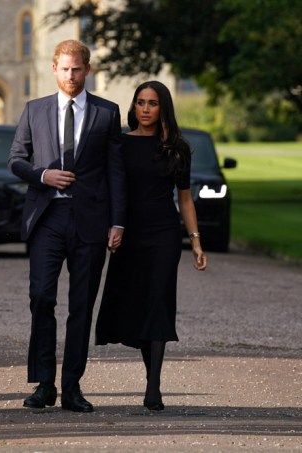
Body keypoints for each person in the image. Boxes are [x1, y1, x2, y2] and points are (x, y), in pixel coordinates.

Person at [8, 39, 126, 413]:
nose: (71, 75)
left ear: (87, 70)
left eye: (77, 69)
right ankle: (44, 384)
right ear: (54, 69)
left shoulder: (107, 113)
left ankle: (72, 385)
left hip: (91, 222)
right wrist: (43, 174)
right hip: (47, 219)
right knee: (41, 297)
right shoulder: (34, 110)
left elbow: (116, 172)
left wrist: (118, 221)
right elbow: (16, 160)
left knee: (81, 305)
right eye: (64, 68)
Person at [95, 80, 207, 411]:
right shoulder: (119, 143)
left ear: (163, 108)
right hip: (129, 235)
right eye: (140, 102)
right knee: (136, 305)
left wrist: (196, 242)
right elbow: (110, 190)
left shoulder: (176, 148)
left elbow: (185, 200)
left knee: (158, 303)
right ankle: (151, 376)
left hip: (164, 235)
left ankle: (153, 385)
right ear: (133, 107)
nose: (145, 109)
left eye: (152, 103)